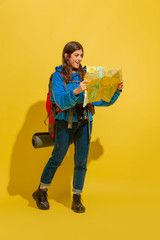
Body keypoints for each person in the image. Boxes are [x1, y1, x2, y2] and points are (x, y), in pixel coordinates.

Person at [32, 41, 123, 213]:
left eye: (81, 55)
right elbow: (59, 100)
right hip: (64, 122)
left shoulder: (87, 75)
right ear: (67, 56)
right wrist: (76, 91)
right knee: (56, 158)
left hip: (84, 122)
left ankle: (77, 197)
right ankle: (41, 191)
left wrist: (116, 91)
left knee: (81, 162)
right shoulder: (57, 76)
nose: (79, 59)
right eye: (76, 55)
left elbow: (101, 100)